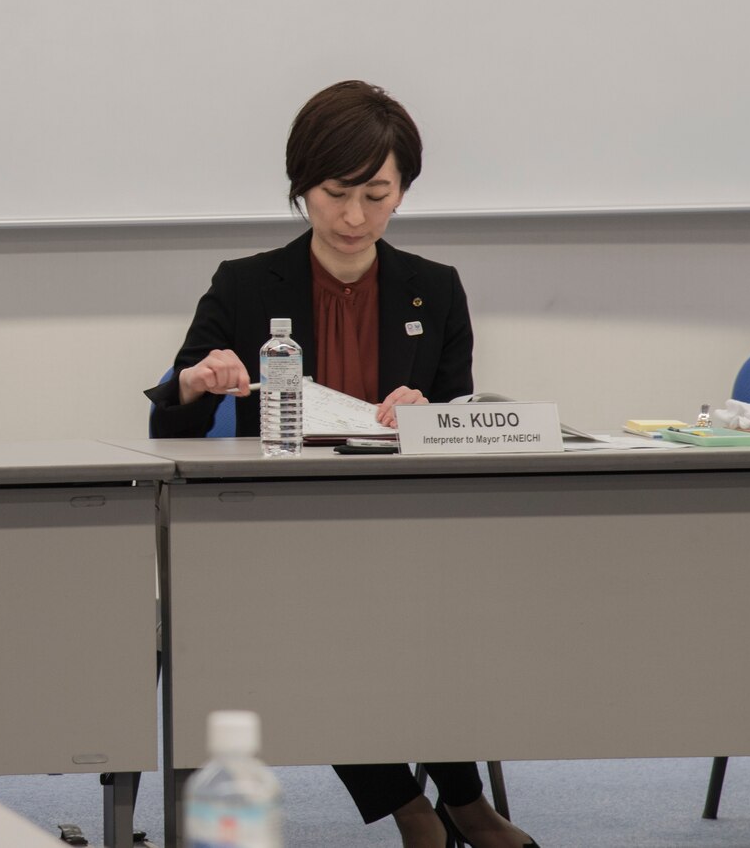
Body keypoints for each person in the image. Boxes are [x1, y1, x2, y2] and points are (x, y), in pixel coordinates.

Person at [144, 81, 532, 848]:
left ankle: (455, 799)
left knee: (432, 603)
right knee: (330, 614)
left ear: (402, 193)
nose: (354, 216)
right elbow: (169, 417)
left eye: (376, 194)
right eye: (335, 192)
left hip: (407, 530)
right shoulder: (247, 284)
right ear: (302, 186)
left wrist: (429, 411)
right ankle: (419, 806)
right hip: (283, 538)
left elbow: (460, 421)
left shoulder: (435, 289)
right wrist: (195, 381)